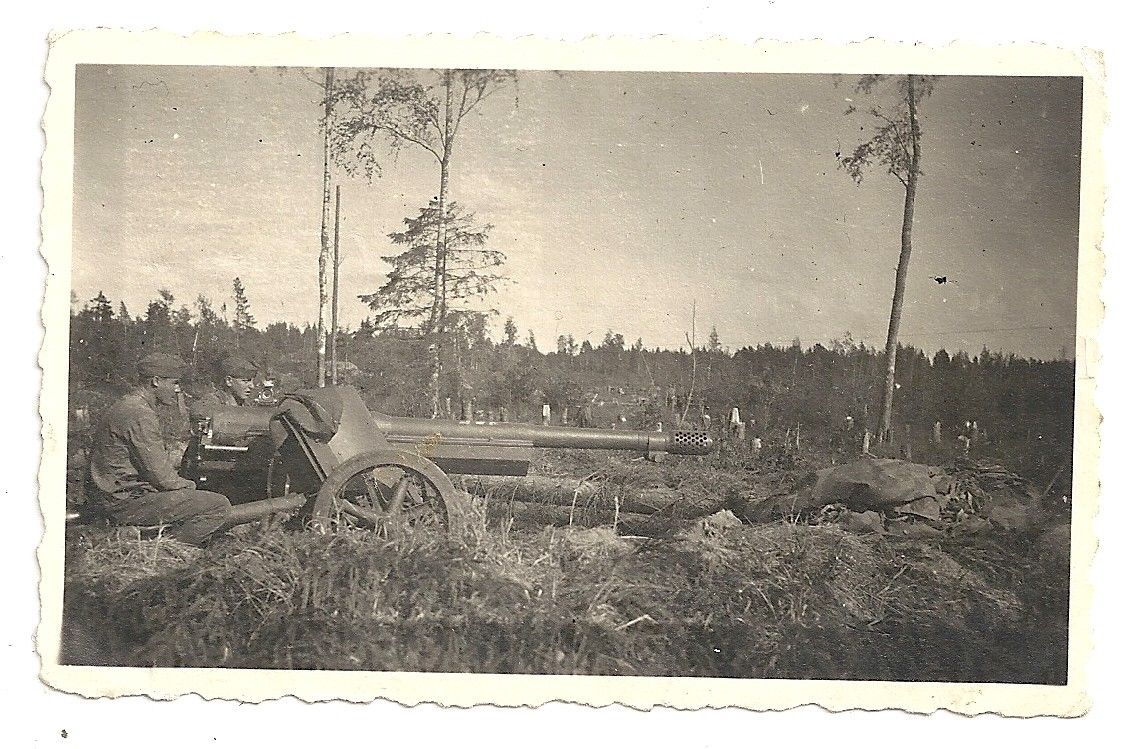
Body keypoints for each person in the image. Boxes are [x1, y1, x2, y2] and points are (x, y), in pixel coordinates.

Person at [85, 353, 231, 545]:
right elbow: (162, 477)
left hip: (111, 495)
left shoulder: (127, 405)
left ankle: (142, 535)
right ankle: (168, 549)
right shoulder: (140, 414)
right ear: (155, 381)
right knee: (218, 505)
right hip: (123, 502)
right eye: (174, 383)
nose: (178, 390)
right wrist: (190, 486)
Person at [188, 354, 258, 422]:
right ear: (229, 381)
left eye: (252, 381)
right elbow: (197, 411)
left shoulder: (246, 404)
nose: (252, 386)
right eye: (245, 381)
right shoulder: (213, 400)